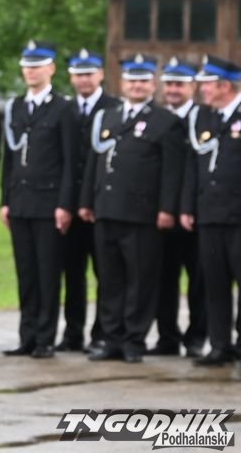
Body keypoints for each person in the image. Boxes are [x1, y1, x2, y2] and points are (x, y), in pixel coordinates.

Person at [79, 54, 184, 364]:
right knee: (109, 278)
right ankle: (111, 337)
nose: (136, 86)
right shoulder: (108, 118)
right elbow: (95, 162)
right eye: (131, 80)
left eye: (143, 81)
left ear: (153, 84)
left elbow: (171, 172)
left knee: (140, 279)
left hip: (142, 214)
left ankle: (133, 339)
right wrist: (86, 201)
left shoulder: (165, 121)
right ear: (122, 83)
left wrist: (167, 209)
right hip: (106, 209)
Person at [0, 40, 77, 359]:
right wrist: (5, 199)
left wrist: (65, 203)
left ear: (51, 69)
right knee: (27, 274)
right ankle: (27, 336)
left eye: (37, 66)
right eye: (27, 67)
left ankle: (45, 337)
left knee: (47, 274)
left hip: (48, 203)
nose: (31, 72)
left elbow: (70, 160)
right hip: (20, 201)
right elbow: (9, 158)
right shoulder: (16, 107)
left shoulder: (62, 108)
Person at [181, 55, 241, 366]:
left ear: (224, 86)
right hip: (210, 214)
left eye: (207, 84)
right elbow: (193, 166)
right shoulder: (202, 117)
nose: (202, 89)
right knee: (215, 283)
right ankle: (220, 345)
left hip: (239, 216)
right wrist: (188, 206)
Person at [58, 48, 116, 353]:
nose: (84, 80)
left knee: (106, 273)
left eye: (89, 74)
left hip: (100, 205)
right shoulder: (65, 110)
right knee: (72, 273)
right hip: (70, 206)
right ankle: (73, 332)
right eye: (79, 75)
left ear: (101, 75)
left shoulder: (114, 108)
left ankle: (103, 332)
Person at [150, 57, 206, 358]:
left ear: (192, 87)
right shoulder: (156, 119)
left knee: (199, 280)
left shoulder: (204, 118)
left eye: (179, 84)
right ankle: (167, 336)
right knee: (163, 279)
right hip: (161, 214)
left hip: (195, 216)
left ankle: (196, 337)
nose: (172, 89)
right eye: (169, 84)